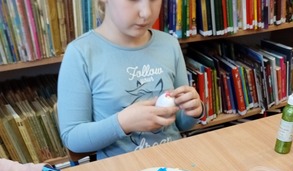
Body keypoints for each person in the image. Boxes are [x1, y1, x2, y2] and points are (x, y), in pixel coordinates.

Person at [57, 0, 204, 160]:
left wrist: (194, 110)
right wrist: (123, 123)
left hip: (172, 164)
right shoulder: (81, 53)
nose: (146, 12)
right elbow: (72, 138)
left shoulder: (169, 44)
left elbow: (181, 124)